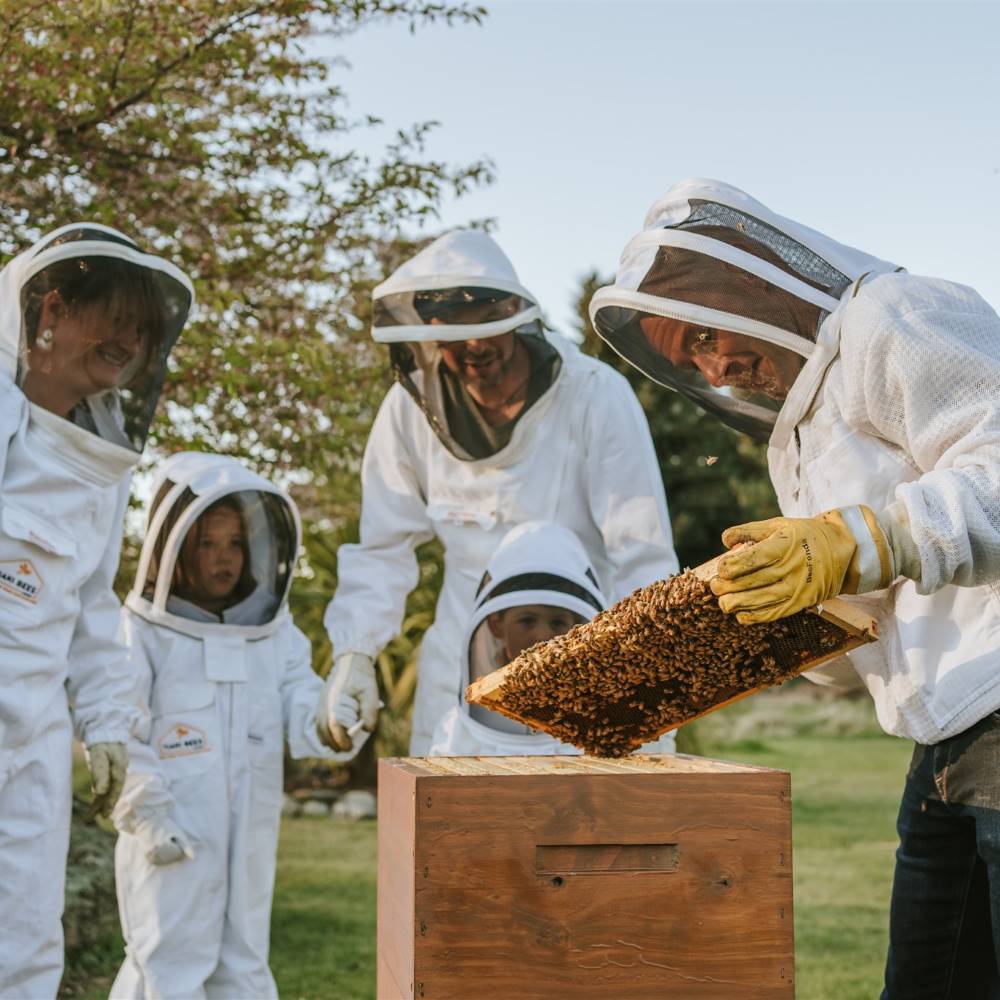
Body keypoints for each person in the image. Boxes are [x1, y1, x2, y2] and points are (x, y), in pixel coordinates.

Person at [590, 178, 1000, 998]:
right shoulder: (798, 446)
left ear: (752, 285)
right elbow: (869, 620)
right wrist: (784, 633)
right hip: (947, 739)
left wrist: (862, 541)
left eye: (706, 334)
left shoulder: (892, 317)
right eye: (694, 360)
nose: (719, 365)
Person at [320, 229, 679, 756]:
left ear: (517, 313)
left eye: (487, 329)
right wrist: (355, 652)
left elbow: (641, 553)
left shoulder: (594, 395)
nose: (473, 349)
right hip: (455, 675)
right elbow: (382, 549)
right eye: (454, 337)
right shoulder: (406, 412)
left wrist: (650, 687)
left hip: (580, 666)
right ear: (426, 334)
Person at [0, 224, 193, 998]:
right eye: (112, 316)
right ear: (50, 308)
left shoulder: (102, 454)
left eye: (141, 327)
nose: (129, 339)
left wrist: (107, 721)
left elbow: (89, 604)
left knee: (23, 946)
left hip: (36, 740)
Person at [110, 452, 363, 999]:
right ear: (176, 550)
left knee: (244, 965)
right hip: (171, 833)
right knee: (166, 965)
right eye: (208, 544)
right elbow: (118, 726)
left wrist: (334, 720)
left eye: (234, 544)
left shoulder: (271, 633)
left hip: (249, 831)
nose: (224, 559)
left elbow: (301, 700)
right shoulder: (143, 632)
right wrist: (148, 815)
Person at [429, 521, 607, 756]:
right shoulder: (456, 731)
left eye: (557, 622)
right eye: (527, 620)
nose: (542, 636)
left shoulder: (598, 716)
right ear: (495, 624)